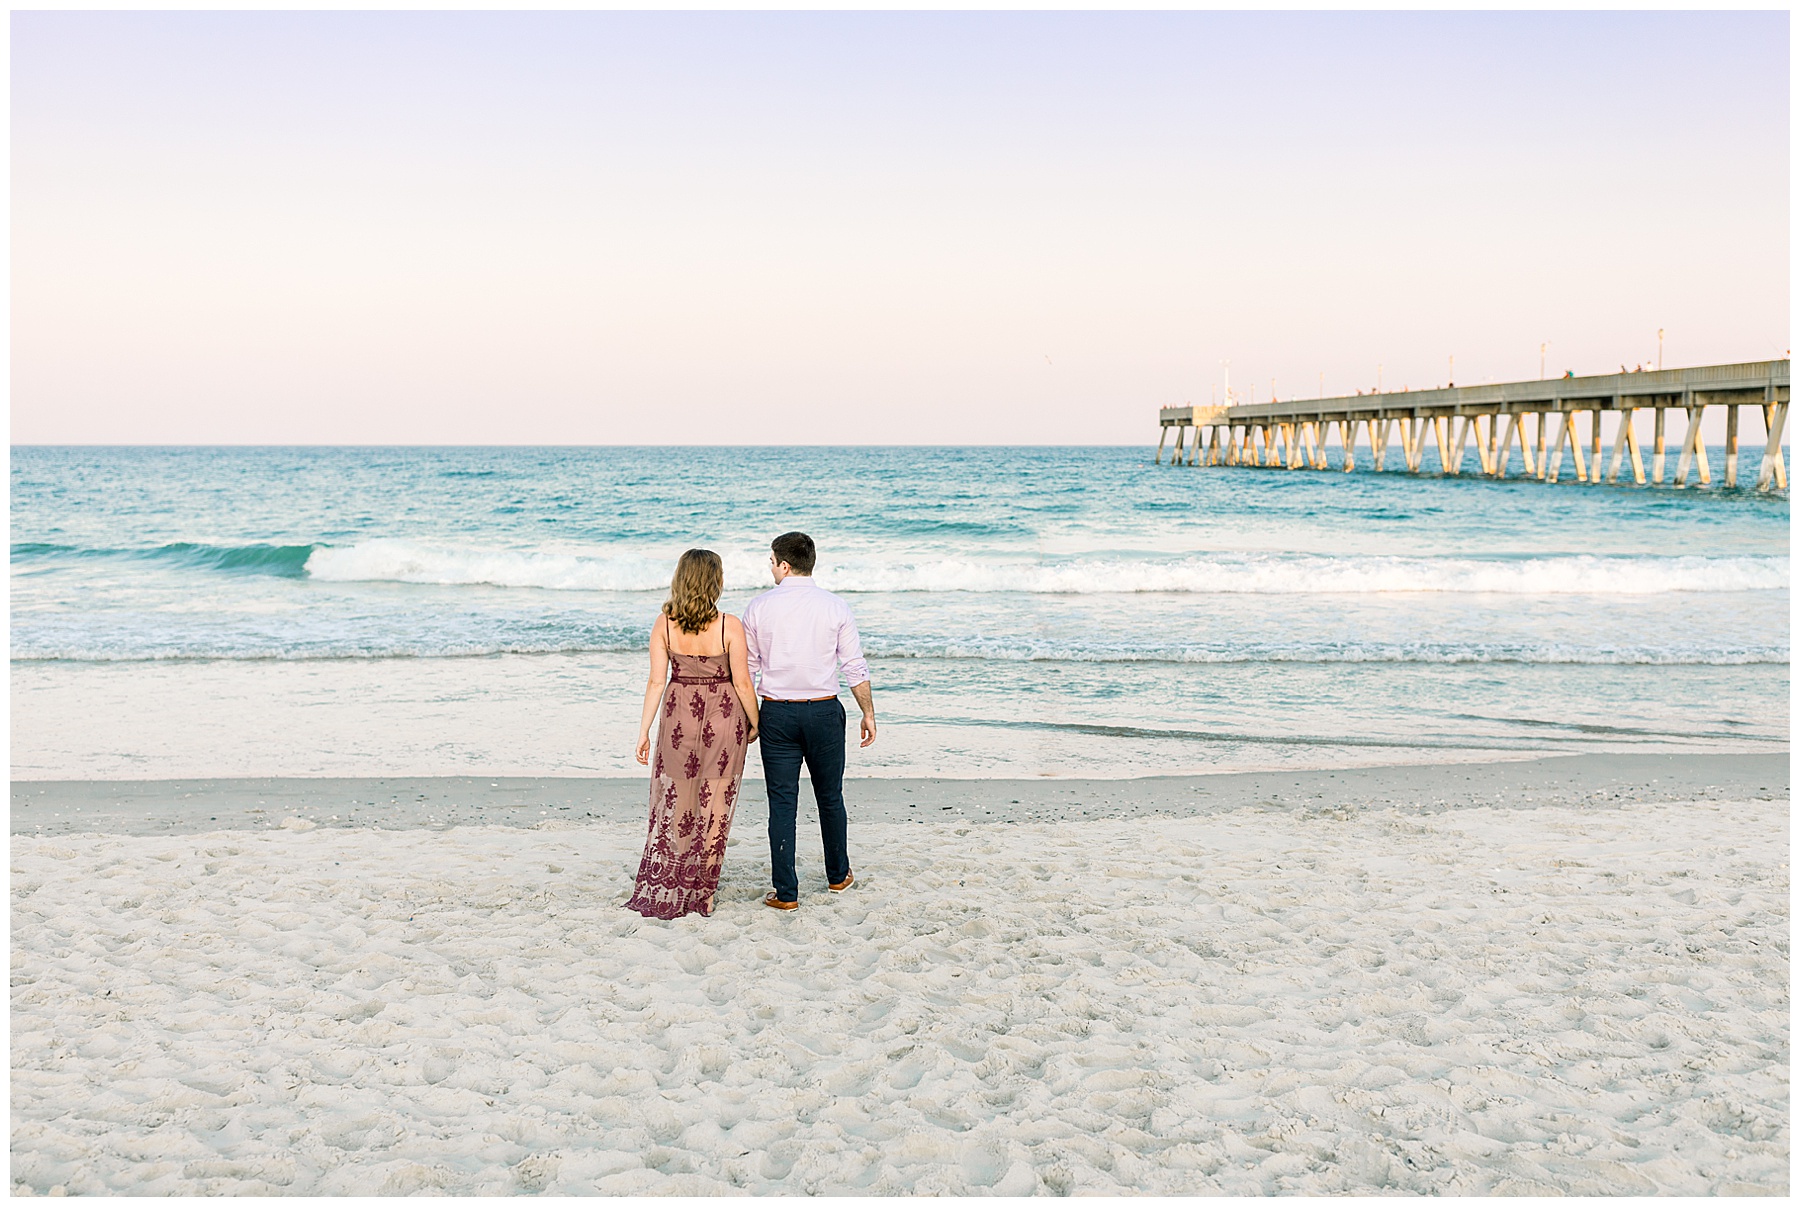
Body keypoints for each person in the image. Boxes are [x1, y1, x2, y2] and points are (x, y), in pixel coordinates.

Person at [741, 532, 876, 911]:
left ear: (784, 565)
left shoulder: (758, 607)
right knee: (830, 796)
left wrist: (751, 719)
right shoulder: (836, 607)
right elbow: (854, 666)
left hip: (777, 714)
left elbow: (747, 672)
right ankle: (838, 876)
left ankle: (786, 894)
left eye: (771, 561)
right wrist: (868, 712)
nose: (770, 567)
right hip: (823, 711)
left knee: (782, 802)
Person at [626, 549, 759, 920]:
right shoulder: (728, 625)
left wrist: (643, 732)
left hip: (677, 715)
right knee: (716, 799)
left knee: (680, 797)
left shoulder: (664, 624)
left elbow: (655, 681)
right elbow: (744, 683)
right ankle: (704, 890)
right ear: (714, 581)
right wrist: (757, 721)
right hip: (723, 715)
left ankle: (678, 878)